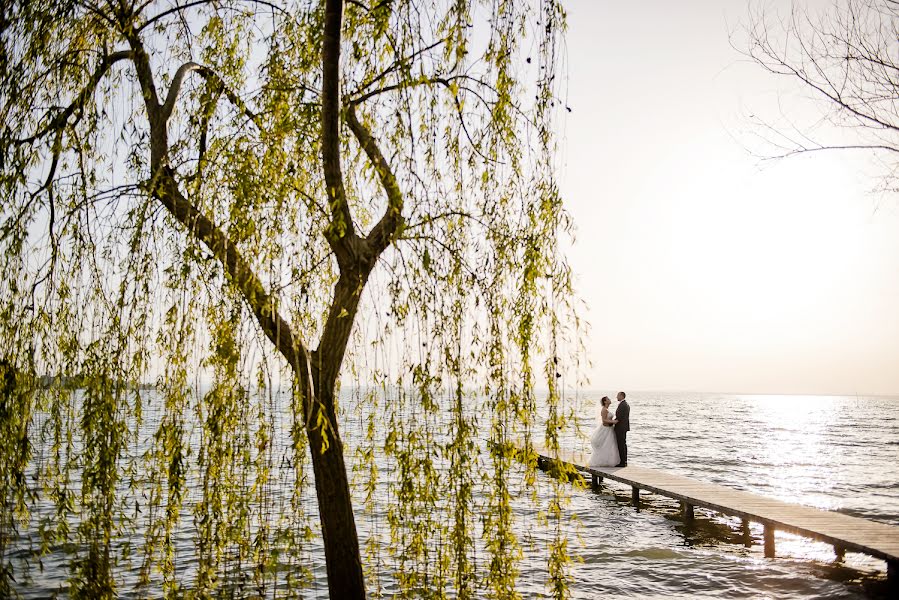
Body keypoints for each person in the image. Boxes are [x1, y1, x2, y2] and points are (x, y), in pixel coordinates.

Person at [588, 396, 620, 467]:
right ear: (605, 402)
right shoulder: (604, 410)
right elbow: (604, 420)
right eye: (608, 399)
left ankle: (608, 460)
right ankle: (602, 461)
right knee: (605, 445)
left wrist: (613, 421)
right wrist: (614, 421)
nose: (610, 400)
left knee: (609, 446)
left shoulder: (607, 409)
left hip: (609, 429)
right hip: (606, 429)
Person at [614, 391, 630, 467]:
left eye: (618, 395)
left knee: (621, 444)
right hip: (623, 427)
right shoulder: (624, 404)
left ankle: (623, 462)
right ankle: (624, 461)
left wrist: (610, 423)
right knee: (623, 444)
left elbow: (619, 418)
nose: (616, 397)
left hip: (621, 428)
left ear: (621, 396)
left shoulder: (623, 405)